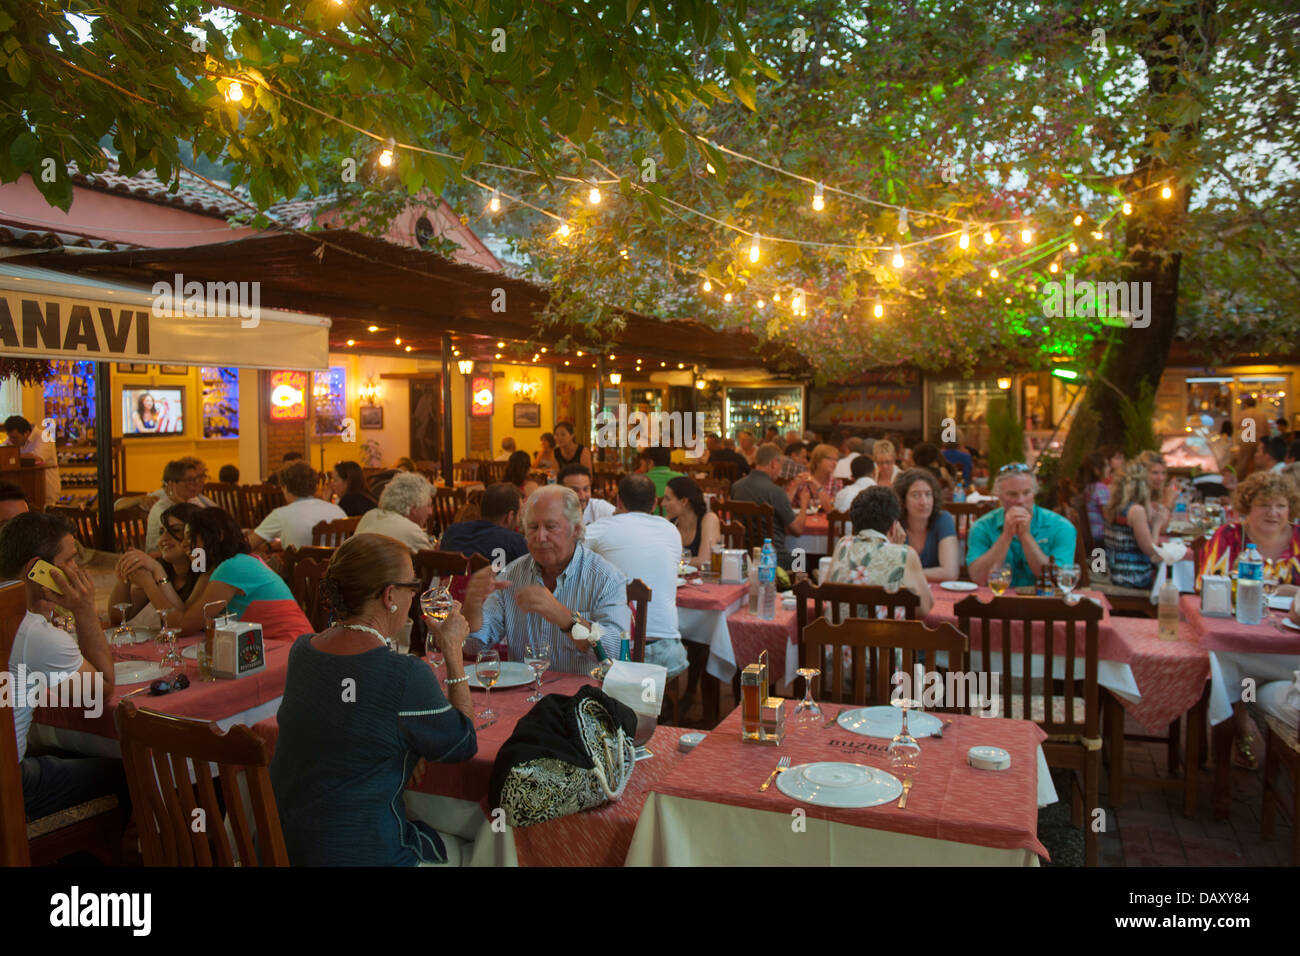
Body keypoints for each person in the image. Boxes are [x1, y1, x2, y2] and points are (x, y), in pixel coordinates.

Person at [270, 533, 477, 865]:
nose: (415, 595)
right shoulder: (404, 674)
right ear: (389, 595)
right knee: (485, 843)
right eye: (413, 586)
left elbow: (345, 727)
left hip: (285, 849)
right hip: (362, 854)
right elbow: (463, 743)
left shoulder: (303, 651)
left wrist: (404, 747)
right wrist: (453, 649)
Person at [1, 511, 127, 820]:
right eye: (70, 560)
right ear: (37, 570)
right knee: (129, 774)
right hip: (11, 787)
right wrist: (84, 610)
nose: (77, 570)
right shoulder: (32, 632)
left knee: (60, 751)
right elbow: (98, 696)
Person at [462, 486, 631, 675]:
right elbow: (473, 646)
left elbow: (616, 653)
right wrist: (473, 605)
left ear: (575, 529)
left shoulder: (606, 578)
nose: (540, 537)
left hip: (582, 699)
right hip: (525, 695)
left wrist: (566, 619)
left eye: (551, 527)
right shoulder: (511, 575)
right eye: (533, 527)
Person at [135, 507, 311, 641]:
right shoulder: (232, 563)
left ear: (217, 535)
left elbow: (183, 627)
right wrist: (159, 572)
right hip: (273, 646)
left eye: (191, 537)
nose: (184, 544)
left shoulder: (232, 568)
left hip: (288, 648)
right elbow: (186, 611)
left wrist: (149, 583)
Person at [584, 474, 688, 678]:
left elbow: (566, 562)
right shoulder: (671, 530)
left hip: (616, 656)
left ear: (618, 501)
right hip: (666, 654)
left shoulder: (599, 529)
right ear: (655, 503)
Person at [826, 486, 934, 616]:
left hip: (838, 635)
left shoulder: (843, 544)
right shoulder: (906, 554)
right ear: (894, 526)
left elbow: (828, 594)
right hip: (884, 635)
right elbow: (925, 607)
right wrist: (898, 547)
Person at [966, 464, 1078, 588]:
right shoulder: (982, 527)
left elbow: (1058, 581)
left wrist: (1025, 535)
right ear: (999, 496)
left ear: (1034, 493)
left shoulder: (1061, 527)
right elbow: (979, 578)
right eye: (1012, 494)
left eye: (1026, 493)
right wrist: (1006, 535)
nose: (1020, 500)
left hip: (1045, 601)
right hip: (997, 601)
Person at [1200, 470, 1300, 586]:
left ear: (1290, 509)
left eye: (1281, 506)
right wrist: (1278, 591)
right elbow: (1209, 586)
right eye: (1264, 505)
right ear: (1248, 507)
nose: (1273, 513)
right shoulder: (1229, 536)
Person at [111, 502, 202, 619]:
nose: (164, 538)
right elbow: (118, 618)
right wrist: (126, 569)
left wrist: (152, 580)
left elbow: (183, 623)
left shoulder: (205, 570)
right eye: (161, 532)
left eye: (175, 530)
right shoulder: (163, 565)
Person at [729, 443, 812, 567]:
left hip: (744, 556)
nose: (781, 470)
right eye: (781, 465)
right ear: (774, 463)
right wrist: (804, 504)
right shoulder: (775, 491)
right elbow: (798, 530)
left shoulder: (736, 487)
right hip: (775, 557)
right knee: (806, 560)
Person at [248, 461, 347, 551]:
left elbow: (248, 545)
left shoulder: (281, 515)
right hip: (336, 569)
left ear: (285, 488)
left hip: (300, 570)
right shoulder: (338, 511)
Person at [1102, 464, 1167, 590]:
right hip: (1132, 577)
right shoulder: (1136, 511)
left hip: (1114, 572)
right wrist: (1157, 525)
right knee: (1170, 580)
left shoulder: (1115, 507)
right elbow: (1150, 550)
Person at [438, 483, 528, 565]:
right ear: (510, 517)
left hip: (451, 582)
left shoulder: (452, 532)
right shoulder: (515, 542)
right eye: (519, 515)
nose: (519, 520)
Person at [894, 468, 958, 581]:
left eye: (928, 494)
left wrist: (907, 574)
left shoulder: (943, 519)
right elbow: (890, 570)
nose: (924, 502)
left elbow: (950, 573)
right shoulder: (895, 523)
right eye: (916, 495)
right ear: (903, 501)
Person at [144, 457, 215, 551]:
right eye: (190, 480)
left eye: (197, 478)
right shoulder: (162, 508)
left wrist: (182, 503)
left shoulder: (192, 499)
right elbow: (199, 530)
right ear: (172, 484)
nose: (196, 483)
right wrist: (182, 505)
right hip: (164, 557)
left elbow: (212, 524)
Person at [355, 472, 435, 553]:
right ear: (413, 507)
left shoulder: (369, 516)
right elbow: (433, 562)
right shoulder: (411, 531)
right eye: (428, 505)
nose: (430, 512)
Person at [3, 414, 59, 507]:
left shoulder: (45, 437)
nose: (12, 441)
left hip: (45, 493)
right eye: (10, 437)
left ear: (26, 432)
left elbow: (37, 458)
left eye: (15, 437)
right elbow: (3, 452)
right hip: (25, 494)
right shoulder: (12, 439)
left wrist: (11, 456)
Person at [664, 475, 720, 567]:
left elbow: (704, 561)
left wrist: (672, 562)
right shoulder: (670, 523)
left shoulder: (709, 519)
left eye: (667, 499)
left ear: (684, 501)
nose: (663, 504)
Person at [792, 443, 840, 512]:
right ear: (817, 460)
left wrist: (817, 484)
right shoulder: (802, 477)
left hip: (824, 522)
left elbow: (830, 510)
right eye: (829, 459)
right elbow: (784, 505)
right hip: (801, 520)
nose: (834, 463)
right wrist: (795, 485)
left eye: (836, 460)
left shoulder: (836, 483)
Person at [1076, 450, 1112, 544]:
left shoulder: (1087, 488)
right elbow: (1108, 516)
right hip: (1101, 536)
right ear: (1097, 470)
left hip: (1090, 535)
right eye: (1107, 465)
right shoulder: (1100, 488)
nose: (1110, 468)